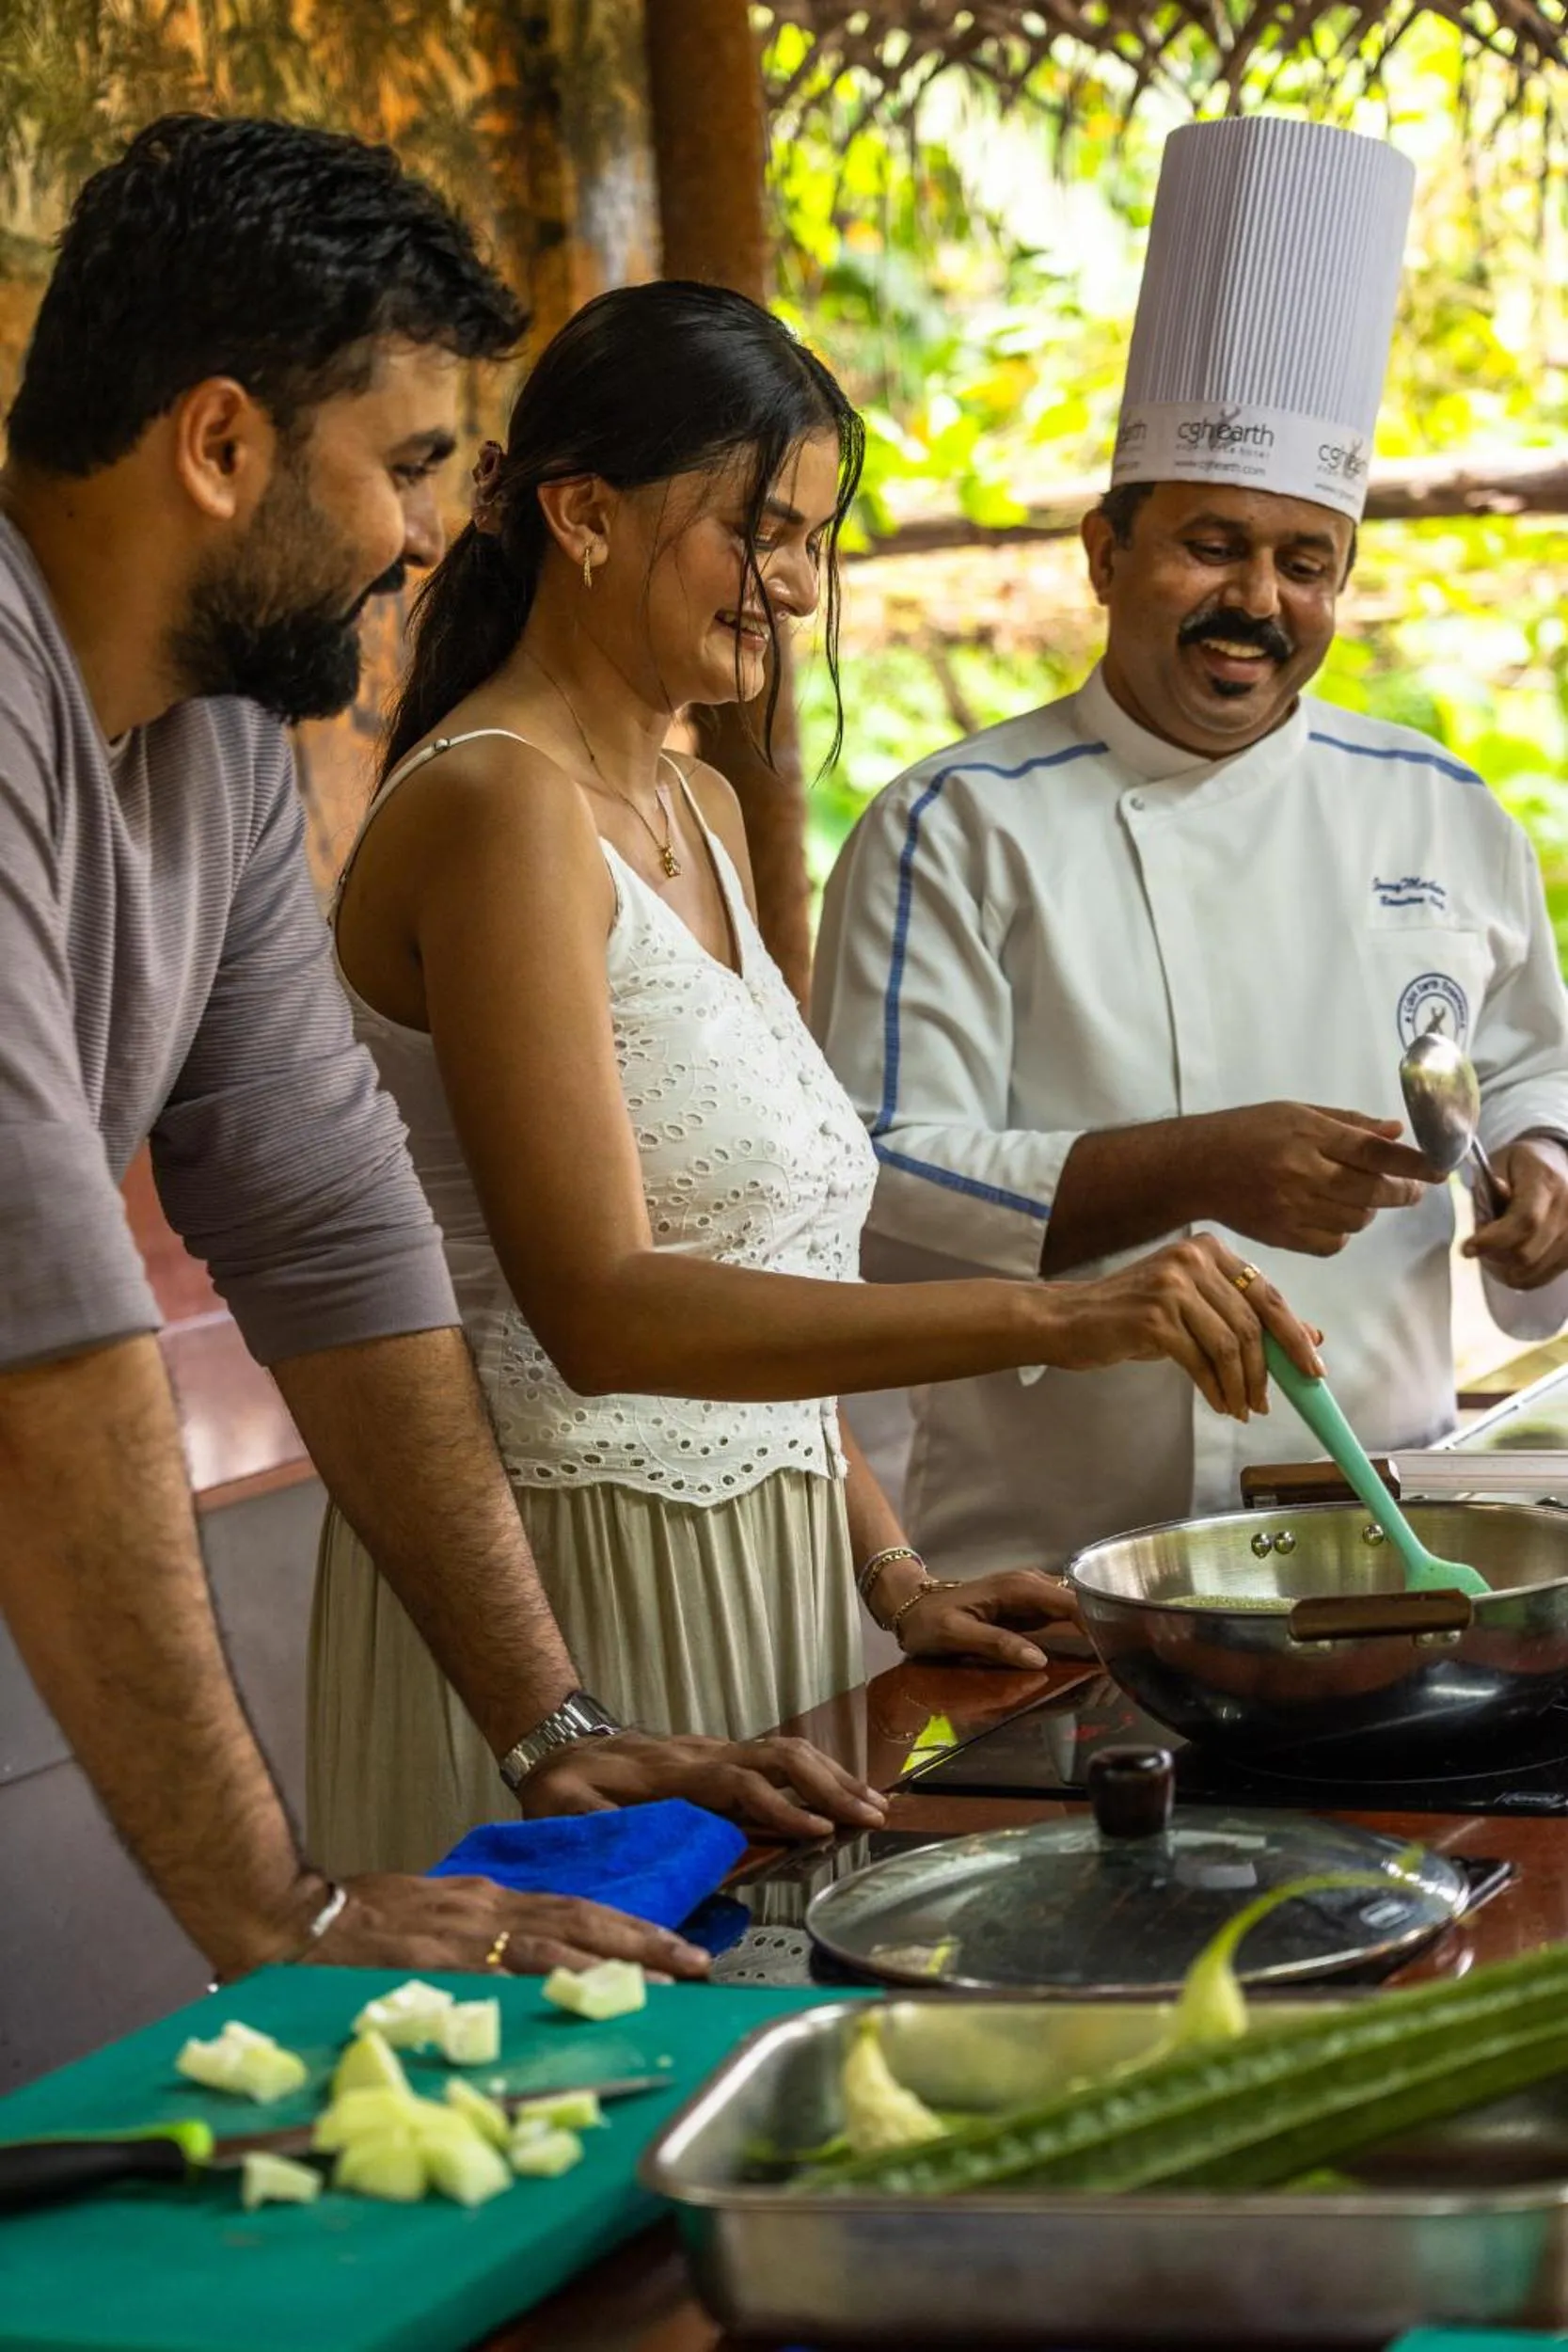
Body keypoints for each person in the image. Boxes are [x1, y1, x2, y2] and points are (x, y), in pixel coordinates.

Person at [0, 116, 899, 1994]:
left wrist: (546, 1721)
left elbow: (329, 1223)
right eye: (408, 464)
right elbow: (53, 1310)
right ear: (222, 441)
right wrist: (282, 1905)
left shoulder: (222, 743)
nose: (428, 531)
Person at [312, 278, 1323, 1876]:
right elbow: (608, 1303)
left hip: (776, 1581)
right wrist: (1057, 1310)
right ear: (580, 514)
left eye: (811, 541)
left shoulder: (697, 804)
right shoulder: (498, 810)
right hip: (576, 1590)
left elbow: (765, 1245)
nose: (790, 588)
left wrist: (890, 1571)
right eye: (757, 533)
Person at [814, 115, 1568, 1582]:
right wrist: (1196, 1167)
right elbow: (872, 1185)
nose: (1256, 600)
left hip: (1389, 1539)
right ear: (1105, 553)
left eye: (1303, 562)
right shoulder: (953, 827)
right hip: (1053, 1572)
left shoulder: (1436, 804)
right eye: (1211, 545)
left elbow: (1530, 1062)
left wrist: (1543, 1164)